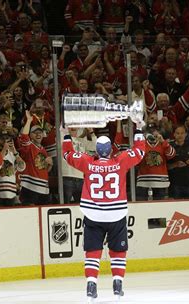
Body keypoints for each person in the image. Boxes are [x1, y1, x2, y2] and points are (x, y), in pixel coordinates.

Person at [62, 120, 145, 302]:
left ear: (96, 151)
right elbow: (139, 151)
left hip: (93, 214)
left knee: (92, 250)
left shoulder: (87, 163)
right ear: (111, 150)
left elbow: (67, 154)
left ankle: (91, 283)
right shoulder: (120, 161)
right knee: (118, 251)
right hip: (116, 214)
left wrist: (67, 133)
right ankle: (117, 284)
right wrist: (139, 128)